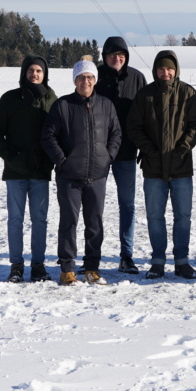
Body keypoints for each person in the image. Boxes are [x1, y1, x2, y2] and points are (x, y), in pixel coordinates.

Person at [41, 58, 122, 285]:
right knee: (69, 222)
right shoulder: (63, 105)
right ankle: (67, 268)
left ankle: (92, 268)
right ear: (75, 80)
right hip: (69, 176)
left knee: (94, 223)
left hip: (97, 175)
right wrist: (62, 161)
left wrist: (108, 157)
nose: (85, 81)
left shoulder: (106, 105)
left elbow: (116, 134)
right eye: (81, 77)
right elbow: (48, 136)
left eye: (89, 77)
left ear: (95, 80)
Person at [125, 50, 196, 280]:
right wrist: (150, 151)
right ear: (155, 71)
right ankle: (157, 261)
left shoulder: (188, 93)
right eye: (161, 68)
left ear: (176, 69)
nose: (165, 72)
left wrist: (182, 149)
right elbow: (134, 127)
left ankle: (182, 261)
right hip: (153, 168)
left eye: (169, 68)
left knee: (183, 216)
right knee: (154, 216)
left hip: (181, 166)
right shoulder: (145, 94)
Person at [0, 54, 57, 282]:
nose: (34, 74)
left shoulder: (51, 99)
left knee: (40, 219)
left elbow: (60, 132)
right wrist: (10, 156)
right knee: (15, 219)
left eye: (38, 71)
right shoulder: (10, 99)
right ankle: (16, 265)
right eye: (30, 71)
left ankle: (38, 265)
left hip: (41, 171)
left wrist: (53, 158)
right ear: (24, 73)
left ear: (44, 74)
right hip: (16, 172)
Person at [95, 35, 147, 274]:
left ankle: (127, 255)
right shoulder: (94, 77)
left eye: (122, 55)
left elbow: (147, 115)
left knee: (127, 205)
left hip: (126, 153)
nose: (117, 58)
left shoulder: (137, 78)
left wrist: (144, 146)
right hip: (97, 153)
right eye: (113, 54)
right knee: (95, 204)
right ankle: (92, 253)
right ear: (104, 56)